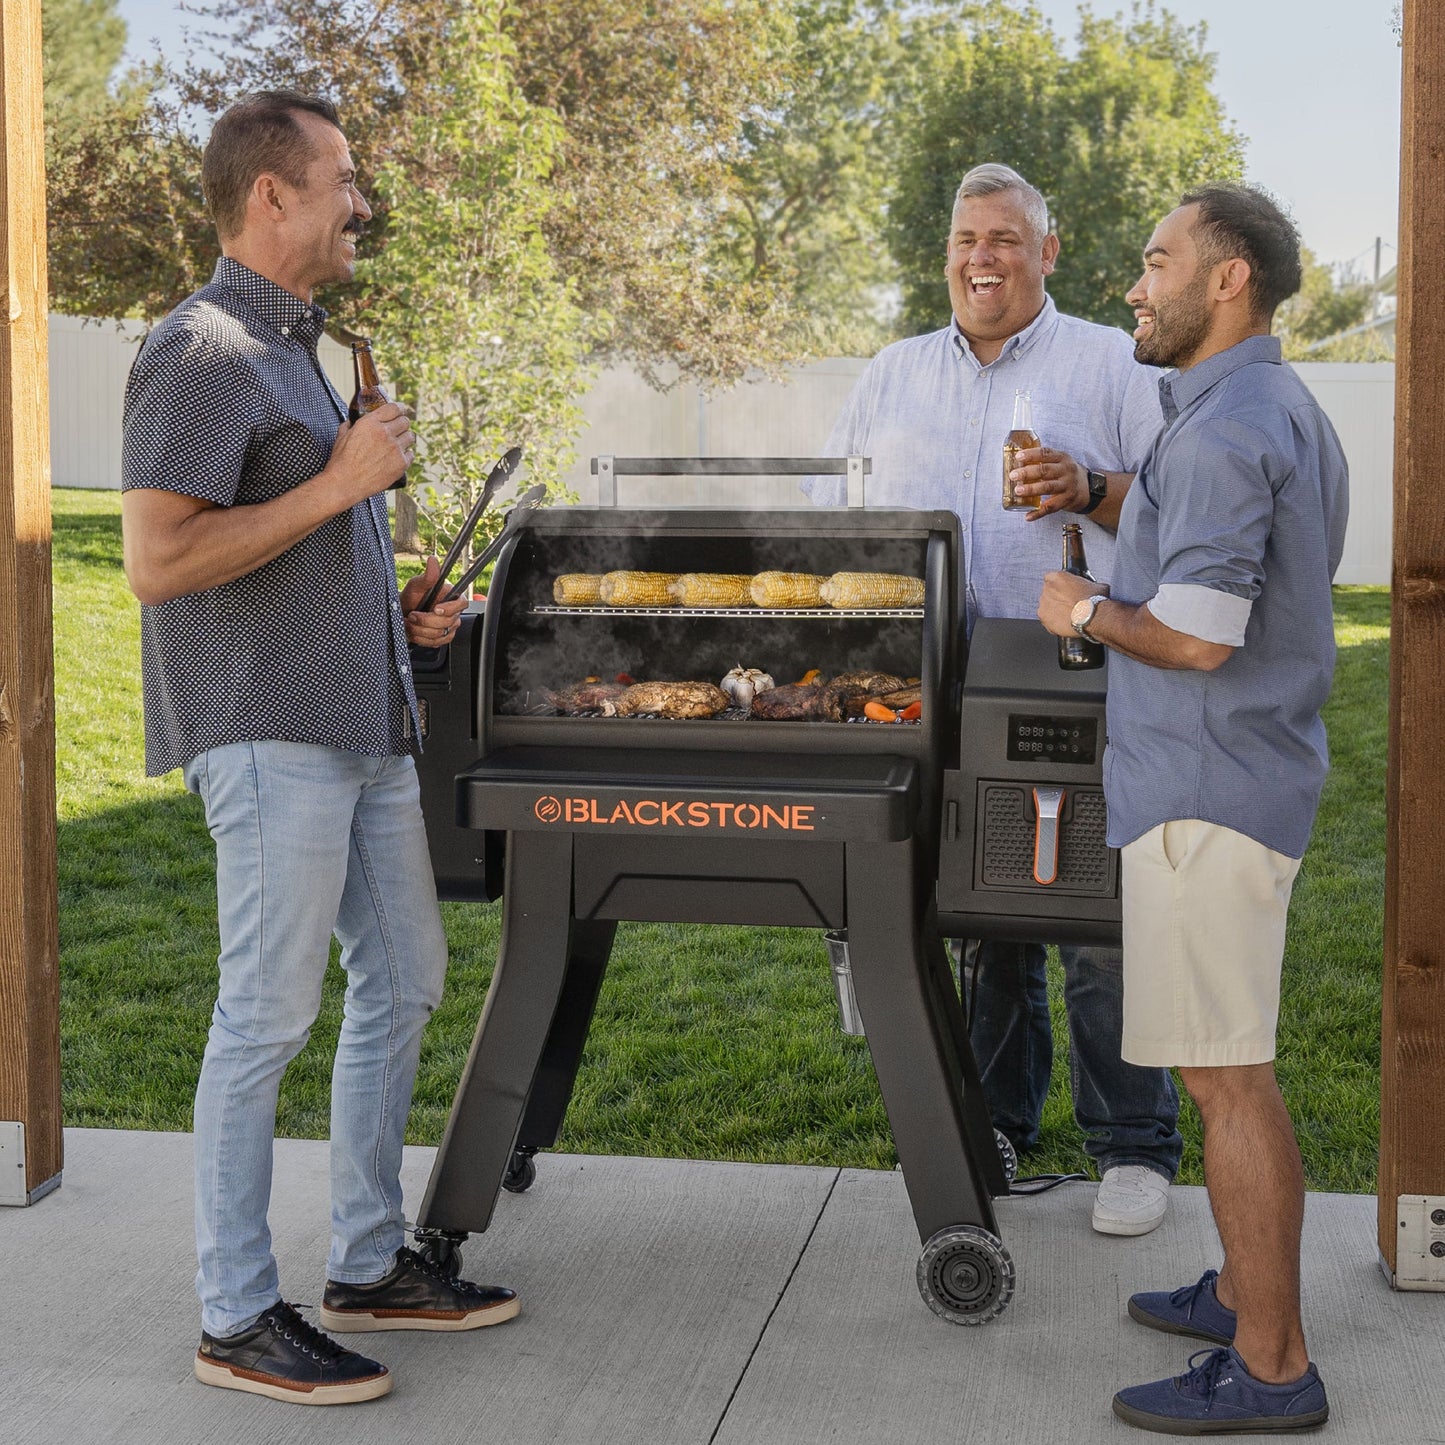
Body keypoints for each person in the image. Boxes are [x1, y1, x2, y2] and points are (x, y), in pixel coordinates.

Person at [121, 90, 519, 1407]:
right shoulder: (202, 349)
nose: (363, 201)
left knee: (403, 980)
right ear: (272, 196)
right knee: (266, 1015)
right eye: (343, 179)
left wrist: (398, 609)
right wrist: (343, 485)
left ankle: (365, 1261)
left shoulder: (312, 352)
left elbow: (294, 540)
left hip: (363, 721)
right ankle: (236, 1311)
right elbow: (158, 559)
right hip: (268, 733)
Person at [807, 163, 1181, 1234]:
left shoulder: (1108, 361)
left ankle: (1132, 1143)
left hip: (1078, 671)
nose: (983, 257)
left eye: (1006, 239)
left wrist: (1085, 486)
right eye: (967, 237)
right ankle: (994, 1120)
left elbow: (1176, 503)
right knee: (980, 912)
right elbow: (834, 505)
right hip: (931, 681)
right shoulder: (890, 373)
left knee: (1097, 914)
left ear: (1047, 253)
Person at [1038, 182, 1346, 1433]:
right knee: (1229, 1071)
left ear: (1227, 280)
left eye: (1156, 260)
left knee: (1229, 1083)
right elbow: (1224, 551)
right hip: (1236, 776)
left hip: (1207, 789)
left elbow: (1201, 633)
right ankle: (1233, 1291)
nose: (1133, 283)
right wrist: (1102, 495)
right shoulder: (1263, 404)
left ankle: (1270, 1364)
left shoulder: (1222, 428)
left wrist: (1081, 615)